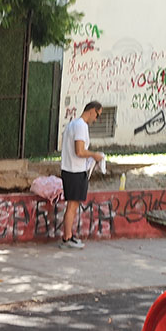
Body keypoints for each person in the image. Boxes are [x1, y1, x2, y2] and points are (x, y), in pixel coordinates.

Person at [59, 101, 105, 249]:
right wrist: (94, 155)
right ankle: (67, 238)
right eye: (97, 115)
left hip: (69, 169)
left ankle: (68, 236)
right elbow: (79, 151)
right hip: (75, 171)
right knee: (72, 205)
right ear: (91, 111)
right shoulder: (81, 126)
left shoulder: (72, 124)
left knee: (72, 205)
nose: (96, 119)